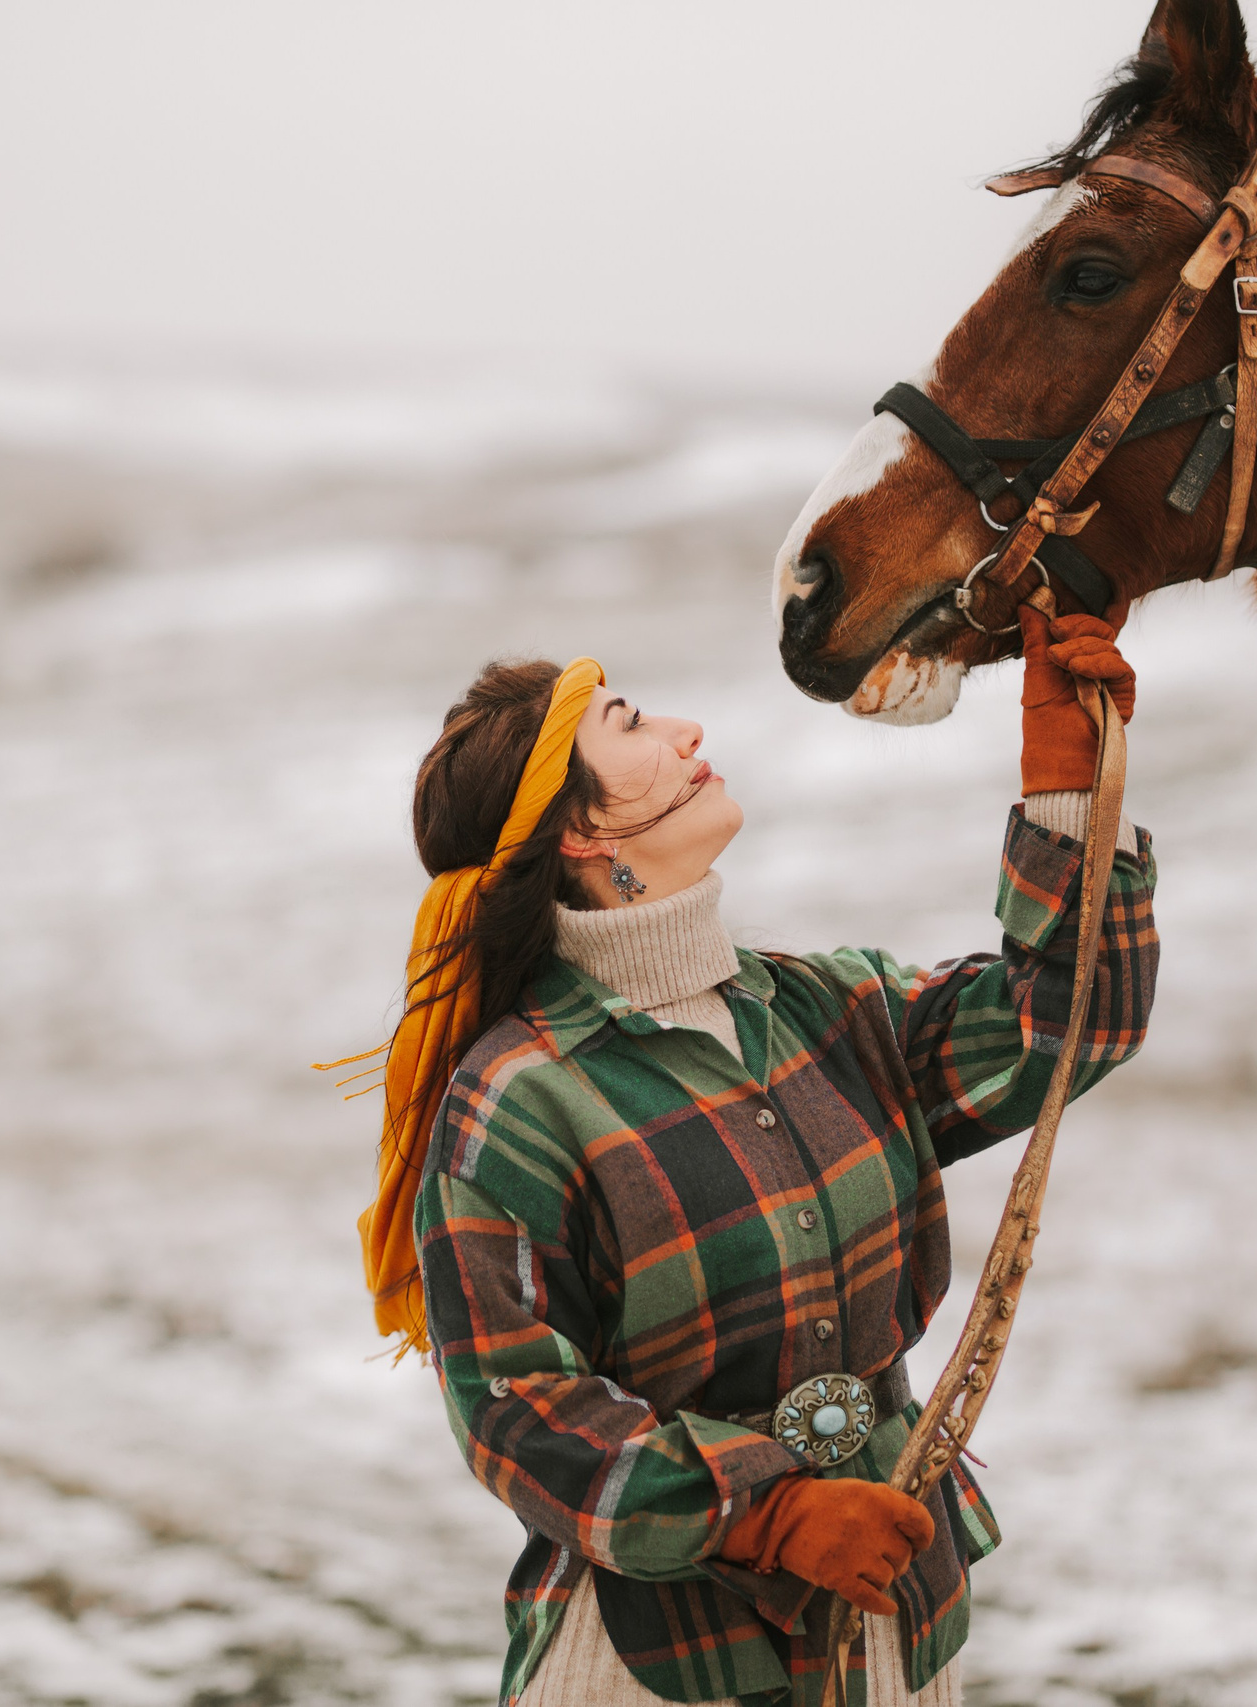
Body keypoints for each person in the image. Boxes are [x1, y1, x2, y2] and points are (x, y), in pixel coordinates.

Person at [350, 607, 1156, 1707]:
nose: (685, 731)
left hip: (895, 1642)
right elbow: (517, 1409)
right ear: (580, 833)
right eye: (632, 724)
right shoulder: (520, 1101)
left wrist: (1066, 783)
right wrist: (766, 1515)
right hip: (657, 1667)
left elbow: (1066, 1024)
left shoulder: (830, 1009)